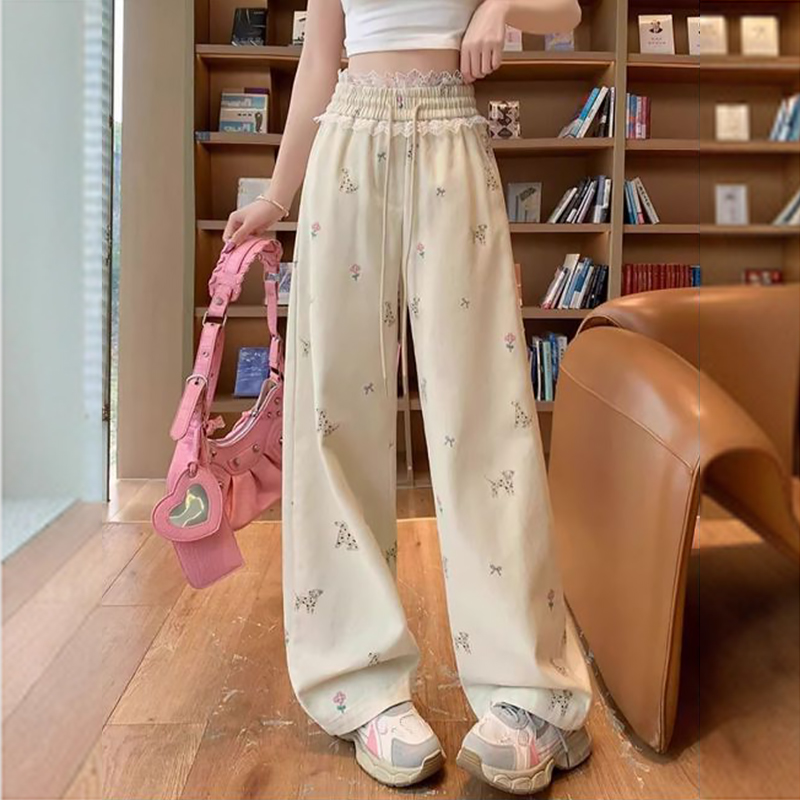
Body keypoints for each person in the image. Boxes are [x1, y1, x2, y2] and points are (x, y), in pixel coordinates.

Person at [223, 0, 593, 793]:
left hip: (452, 139)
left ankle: (531, 692)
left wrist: (500, 6)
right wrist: (276, 199)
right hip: (347, 144)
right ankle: (360, 686)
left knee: (486, 420)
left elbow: (566, 9)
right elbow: (320, 59)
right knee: (335, 421)